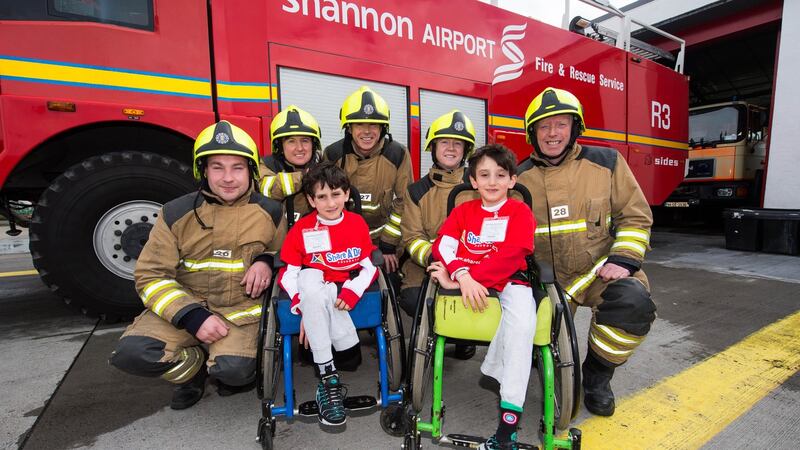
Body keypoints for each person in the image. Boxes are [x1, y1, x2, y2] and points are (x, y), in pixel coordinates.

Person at [110, 120, 286, 410]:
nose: (228, 178)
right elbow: (150, 275)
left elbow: (283, 252)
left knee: (236, 373)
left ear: (251, 171)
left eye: (237, 167)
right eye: (217, 167)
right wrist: (192, 317)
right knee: (134, 354)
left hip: (239, 313)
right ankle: (191, 372)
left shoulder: (271, 211)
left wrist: (267, 260)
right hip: (185, 308)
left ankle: (219, 363)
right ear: (202, 170)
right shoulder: (175, 213)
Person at [516, 87, 657, 417]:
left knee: (632, 306)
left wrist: (623, 258)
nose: (553, 133)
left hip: (598, 271)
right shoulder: (519, 177)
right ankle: (545, 355)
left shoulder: (606, 163)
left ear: (575, 128)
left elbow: (635, 216)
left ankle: (596, 375)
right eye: (544, 126)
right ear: (532, 133)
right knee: (522, 329)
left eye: (561, 124)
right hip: (546, 280)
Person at [429, 144, 537, 450]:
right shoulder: (464, 211)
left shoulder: (520, 211)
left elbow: (515, 253)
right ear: (473, 181)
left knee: (523, 324)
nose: (492, 182)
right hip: (469, 279)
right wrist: (462, 276)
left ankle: (509, 425)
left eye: (500, 175)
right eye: (484, 175)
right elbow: (444, 247)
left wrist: (467, 278)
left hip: (510, 282)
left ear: (512, 180)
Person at [277, 161, 378, 426]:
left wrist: (353, 291)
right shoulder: (302, 229)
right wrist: (301, 305)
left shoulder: (357, 224)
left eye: (335, 194)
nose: (330, 202)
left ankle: (327, 376)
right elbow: (289, 273)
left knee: (315, 286)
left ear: (346, 194)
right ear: (311, 200)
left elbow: (369, 268)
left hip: (344, 292)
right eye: (321, 196)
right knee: (308, 277)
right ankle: (329, 377)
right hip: (313, 290)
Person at [400, 109, 477, 360]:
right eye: (445, 142)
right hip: (426, 266)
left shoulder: (479, 187)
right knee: (413, 299)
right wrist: (437, 258)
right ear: (433, 147)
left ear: (466, 150)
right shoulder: (417, 191)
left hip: (472, 266)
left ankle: (463, 336)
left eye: (458, 144)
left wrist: (463, 265)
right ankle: (437, 334)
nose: (451, 148)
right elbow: (412, 238)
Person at [323, 86, 413, 275]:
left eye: (373, 125)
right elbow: (324, 202)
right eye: (359, 125)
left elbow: (405, 201)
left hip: (384, 241)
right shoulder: (333, 154)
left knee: (388, 289)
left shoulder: (397, 154)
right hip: (342, 242)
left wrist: (388, 245)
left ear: (383, 128)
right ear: (349, 128)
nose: (367, 131)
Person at [259, 105, 322, 227]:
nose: (299, 148)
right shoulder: (266, 165)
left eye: (305, 140)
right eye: (291, 141)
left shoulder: (324, 163)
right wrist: (305, 176)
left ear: (313, 145)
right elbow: (269, 190)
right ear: (280, 147)